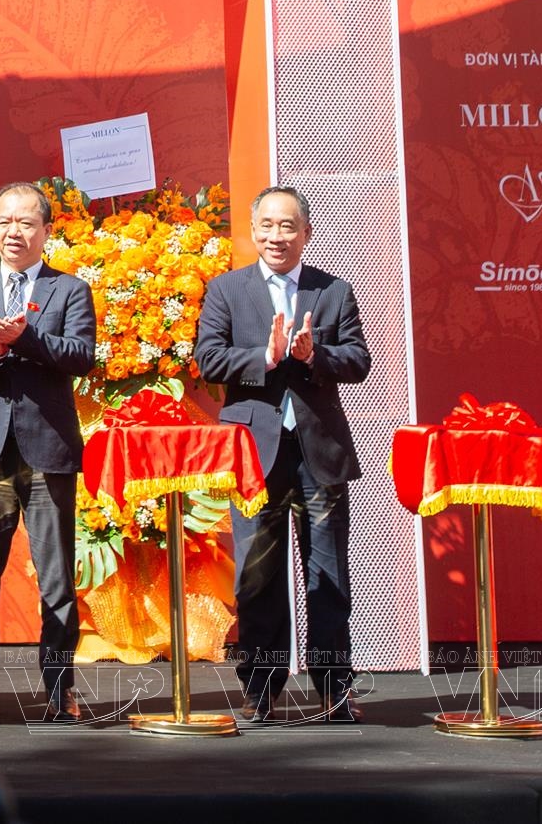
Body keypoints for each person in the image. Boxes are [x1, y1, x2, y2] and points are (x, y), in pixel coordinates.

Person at [196, 185, 371, 723]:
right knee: (257, 575)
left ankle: (334, 688)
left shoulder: (333, 291)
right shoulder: (226, 290)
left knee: (328, 575)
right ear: (254, 231)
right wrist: (265, 358)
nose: (277, 236)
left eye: (288, 226)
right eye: (267, 225)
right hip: (254, 453)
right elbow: (208, 359)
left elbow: (358, 360)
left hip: (318, 451)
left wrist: (315, 356)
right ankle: (260, 687)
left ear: (306, 233)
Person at [0, 182, 95, 723]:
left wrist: (24, 338)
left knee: (56, 581)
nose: (14, 232)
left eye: (26, 222)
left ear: (46, 231)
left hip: (49, 450)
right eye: (5, 221)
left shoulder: (69, 290)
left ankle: (59, 690)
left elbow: (81, 355)